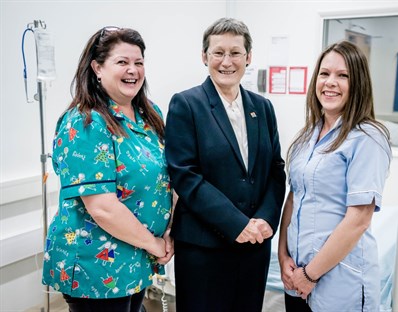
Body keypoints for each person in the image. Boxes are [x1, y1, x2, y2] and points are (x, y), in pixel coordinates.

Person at [42, 27, 174, 312]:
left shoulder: (150, 115)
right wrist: (154, 243)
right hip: (96, 269)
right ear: (97, 68)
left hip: (136, 259)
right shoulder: (86, 122)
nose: (133, 70)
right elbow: (102, 208)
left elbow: (166, 180)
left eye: (138, 63)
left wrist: (167, 234)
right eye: (122, 62)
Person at [165, 17, 286, 312]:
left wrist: (266, 220)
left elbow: (275, 170)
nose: (227, 62)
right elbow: (185, 176)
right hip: (204, 249)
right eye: (218, 52)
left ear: (249, 57)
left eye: (235, 53)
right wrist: (237, 224)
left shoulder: (263, 107)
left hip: (255, 246)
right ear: (204, 56)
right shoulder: (186, 105)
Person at [278, 40, 392, 311]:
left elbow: (358, 220)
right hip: (295, 278)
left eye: (343, 76)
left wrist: (310, 274)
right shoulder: (308, 136)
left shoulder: (367, 137)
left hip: (340, 284)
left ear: (358, 84)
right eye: (324, 73)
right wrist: (283, 256)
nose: (330, 82)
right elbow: (293, 199)